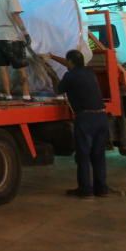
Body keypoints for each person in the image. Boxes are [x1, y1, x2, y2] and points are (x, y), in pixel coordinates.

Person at [46, 49, 109, 199]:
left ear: (71, 62)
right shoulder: (89, 72)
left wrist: (51, 73)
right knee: (98, 155)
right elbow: (70, 63)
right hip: (101, 117)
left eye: (67, 62)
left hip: (85, 119)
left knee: (83, 156)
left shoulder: (70, 76)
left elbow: (57, 90)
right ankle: (102, 190)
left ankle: (85, 190)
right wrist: (52, 56)